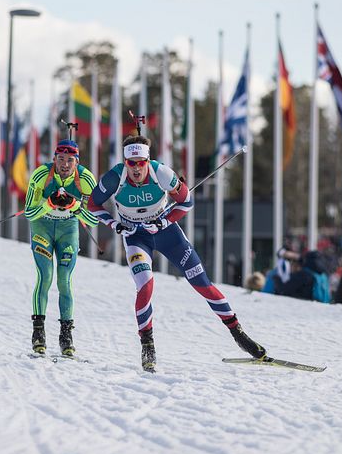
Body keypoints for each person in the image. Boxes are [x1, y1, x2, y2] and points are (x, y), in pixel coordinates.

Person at [87, 134, 266, 372]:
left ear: (148, 160)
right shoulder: (113, 178)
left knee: (202, 283)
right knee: (146, 285)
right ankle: (147, 344)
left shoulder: (161, 173)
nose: (137, 168)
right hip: (136, 237)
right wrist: (113, 224)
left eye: (141, 162)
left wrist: (163, 223)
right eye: (132, 163)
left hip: (168, 234)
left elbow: (186, 203)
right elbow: (92, 205)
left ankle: (238, 333)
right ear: (125, 162)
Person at [23, 139, 99, 356]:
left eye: (70, 160)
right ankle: (38, 333)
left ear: (77, 162)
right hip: (42, 227)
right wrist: (49, 203)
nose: (65, 165)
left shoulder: (85, 179)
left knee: (64, 280)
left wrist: (74, 205)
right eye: (61, 159)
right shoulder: (41, 175)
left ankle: (66, 336)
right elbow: (28, 213)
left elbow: (93, 221)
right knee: (45, 276)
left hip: (68, 229)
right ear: (54, 159)